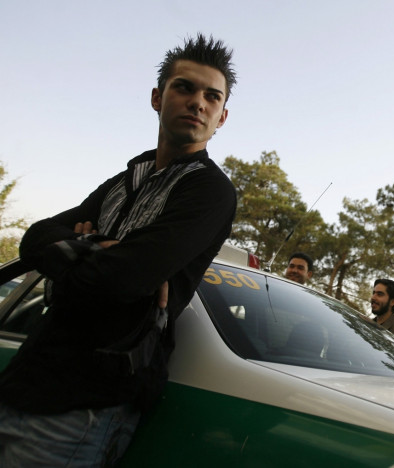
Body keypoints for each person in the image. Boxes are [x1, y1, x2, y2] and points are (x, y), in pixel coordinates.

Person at [0, 34, 238, 467]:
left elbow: (121, 279)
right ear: (156, 97)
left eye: (211, 96)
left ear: (222, 117)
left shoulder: (210, 191)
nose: (197, 102)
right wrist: (97, 249)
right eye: (184, 87)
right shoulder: (126, 178)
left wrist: (79, 250)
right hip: (27, 377)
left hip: (84, 407)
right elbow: (34, 237)